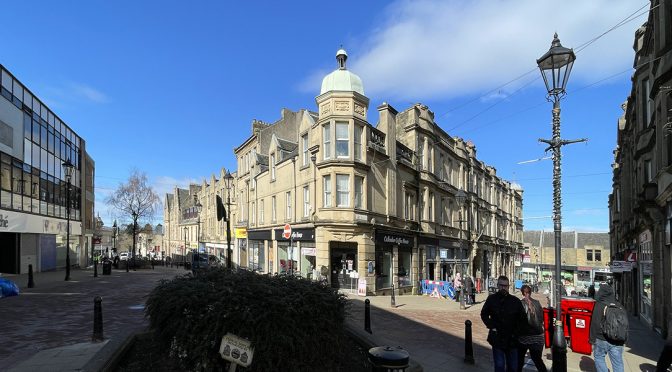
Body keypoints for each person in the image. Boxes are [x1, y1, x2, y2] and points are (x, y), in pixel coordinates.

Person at [481, 275, 527, 372]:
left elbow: (523, 319)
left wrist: (517, 332)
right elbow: (484, 313)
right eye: (501, 285)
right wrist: (491, 325)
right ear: (498, 285)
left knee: (513, 367)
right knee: (499, 366)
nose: (503, 288)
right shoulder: (492, 299)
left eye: (505, 286)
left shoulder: (515, 301)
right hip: (497, 338)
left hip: (512, 339)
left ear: (508, 286)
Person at [589, 283, 625, 372]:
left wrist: (592, 339)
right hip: (617, 339)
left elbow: (595, 322)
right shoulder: (619, 305)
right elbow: (624, 323)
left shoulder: (599, 304)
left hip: (602, 338)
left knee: (599, 358)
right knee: (618, 362)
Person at [517, 284, 548, 372]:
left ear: (522, 293)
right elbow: (541, 319)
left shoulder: (520, 303)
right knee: (537, 360)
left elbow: (518, 321)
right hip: (538, 336)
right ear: (530, 292)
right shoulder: (537, 303)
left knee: (519, 360)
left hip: (524, 337)